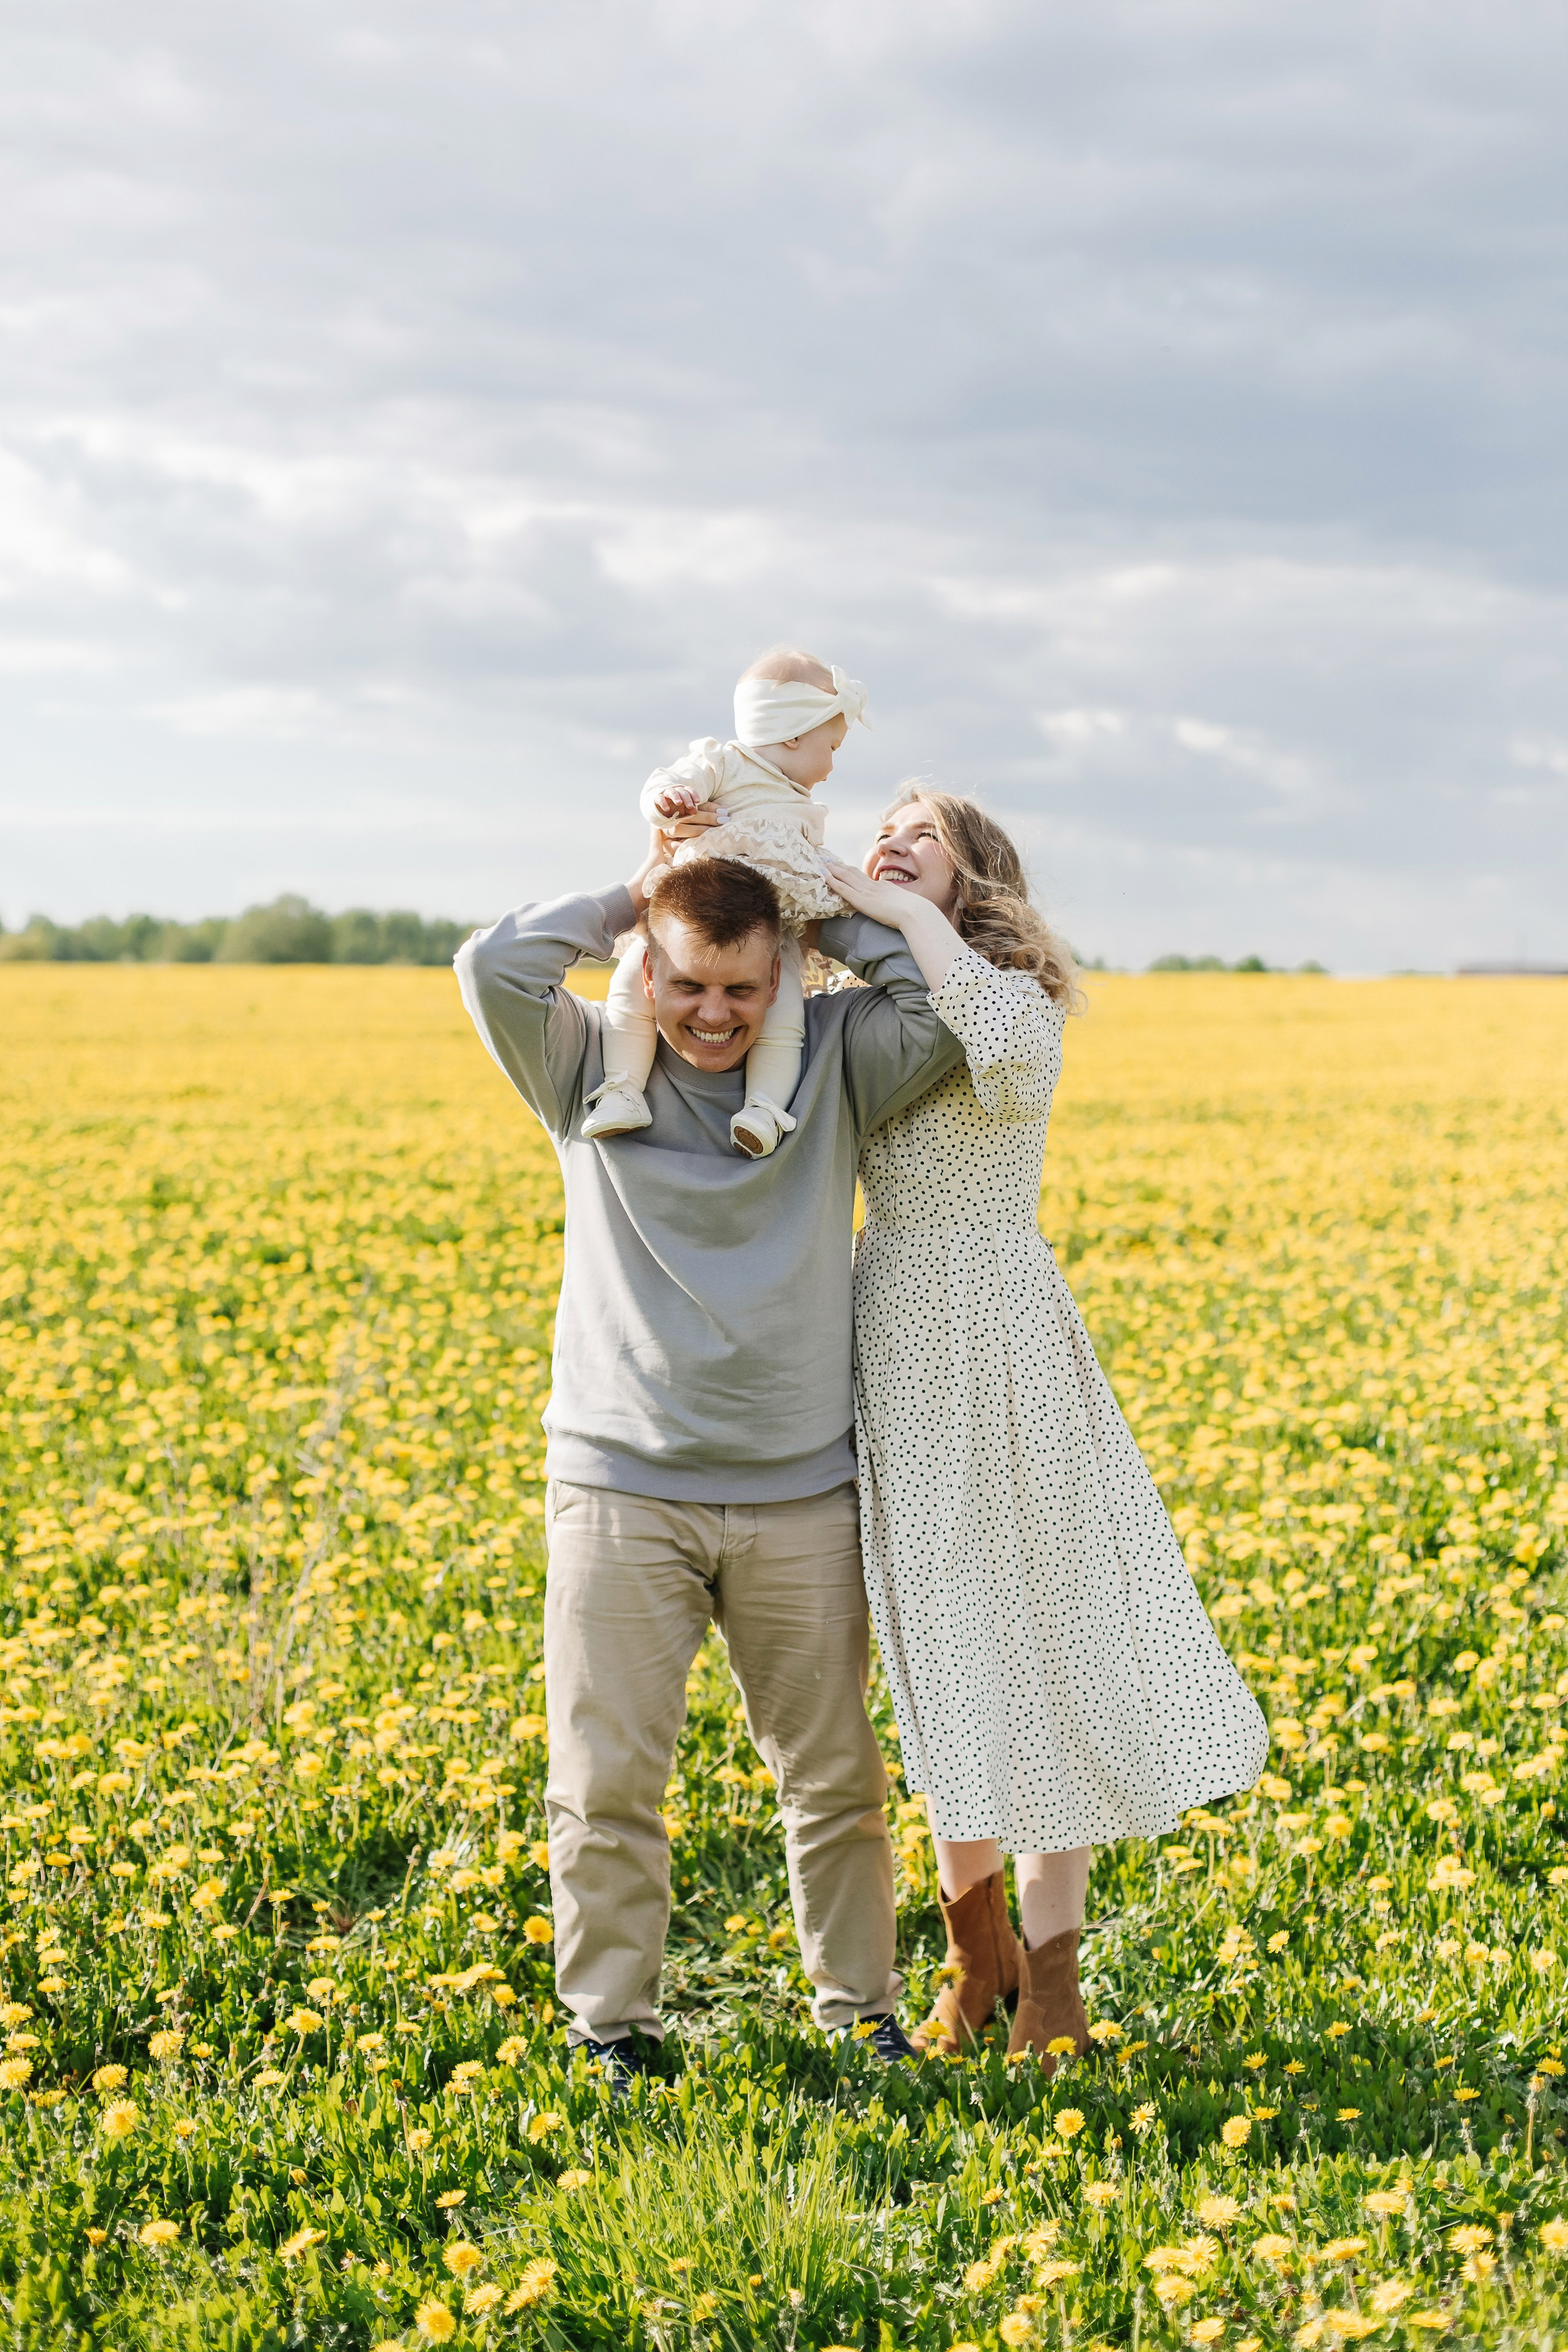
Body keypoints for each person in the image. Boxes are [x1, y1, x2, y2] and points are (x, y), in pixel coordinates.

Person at [454, 813, 963, 2082]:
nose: (715, 1015)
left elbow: (940, 1010)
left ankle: (860, 2014)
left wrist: (818, 906)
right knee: (606, 1781)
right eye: (688, 984)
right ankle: (612, 2027)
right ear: (646, 966)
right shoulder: (583, 1062)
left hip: (800, 1493)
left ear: (783, 974)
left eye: (743, 988)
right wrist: (636, 895)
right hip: (619, 1488)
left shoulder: (833, 1058)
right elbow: (490, 966)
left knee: (834, 1781)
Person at [823, 791, 1268, 2070]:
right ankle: (977, 1964)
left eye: (923, 833)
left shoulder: (1011, 995)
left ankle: (1054, 1977)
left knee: (1044, 1642)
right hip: (896, 1334)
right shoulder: (869, 1005)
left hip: (1005, 1334)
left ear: (976, 872)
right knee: (940, 1650)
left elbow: (1007, 1059)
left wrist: (901, 913)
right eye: (882, 830)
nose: (892, 842)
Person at [582, 646, 869, 1160]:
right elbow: (667, 782)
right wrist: (669, 802)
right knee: (631, 986)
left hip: (767, 936)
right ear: (794, 733)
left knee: (784, 1014)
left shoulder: (804, 805)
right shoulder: (724, 762)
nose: (831, 765)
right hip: (686, 919)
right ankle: (622, 1089)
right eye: (832, 747)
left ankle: (764, 1109)